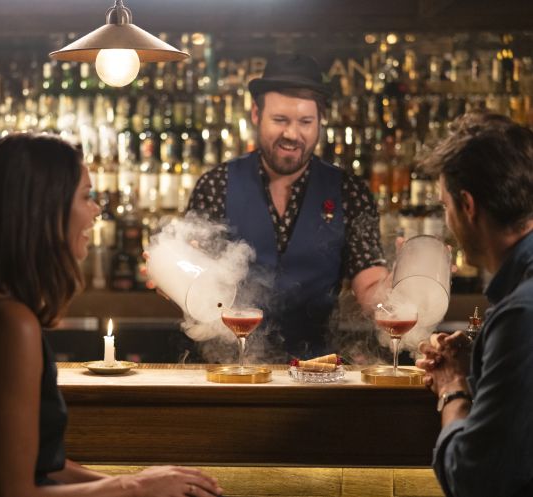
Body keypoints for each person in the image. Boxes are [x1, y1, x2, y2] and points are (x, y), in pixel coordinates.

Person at [0, 134, 223, 497]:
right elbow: (13, 492)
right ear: (46, 207)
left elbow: (45, 465)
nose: (96, 210)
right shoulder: (8, 324)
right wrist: (135, 487)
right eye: (86, 196)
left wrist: (146, 481)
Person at [186, 53, 388, 359]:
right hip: (228, 370)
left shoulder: (350, 192)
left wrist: (403, 288)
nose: (292, 134)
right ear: (256, 114)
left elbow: (370, 284)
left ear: (321, 120)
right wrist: (174, 271)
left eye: (305, 122)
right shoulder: (216, 185)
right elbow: (192, 276)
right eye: (280, 120)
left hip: (316, 374)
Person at [415, 112, 533, 497]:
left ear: (467, 206)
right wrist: (483, 360)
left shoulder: (521, 315)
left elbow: (472, 477)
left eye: (444, 205)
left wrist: (452, 386)